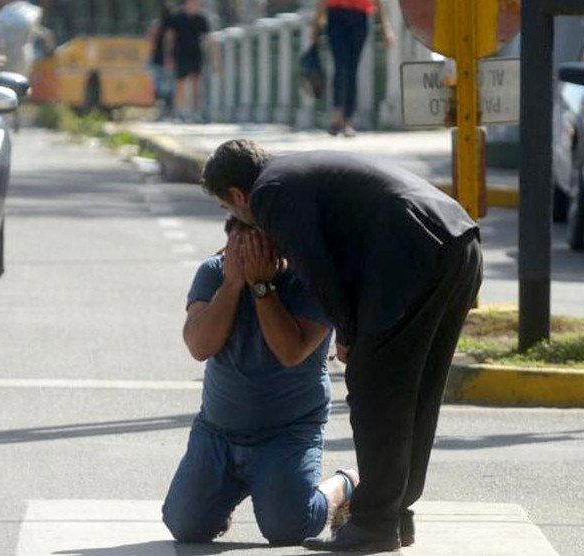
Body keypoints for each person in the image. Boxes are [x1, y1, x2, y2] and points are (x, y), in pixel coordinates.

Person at [201, 139, 483, 551]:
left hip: (412, 256)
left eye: (229, 209)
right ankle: (394, 515)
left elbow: (319, 270)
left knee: (375, 394)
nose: (238, 219)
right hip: (458, 243)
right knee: (415, 394)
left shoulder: (270, 195)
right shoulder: (294, 174)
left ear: (239, 195)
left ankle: (372, 525)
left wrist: (348, 335)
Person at [162, 217, 359, 545]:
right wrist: (232, 285)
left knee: (289, 530)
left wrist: (262, 288)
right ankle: (227, 493)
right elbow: (199, 346)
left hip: (287, 432)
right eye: (238, 246)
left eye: (257, 246)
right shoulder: (214, 272)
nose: (245, 254)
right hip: (218, 431)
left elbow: (290, 351)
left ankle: (347, 482)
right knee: (185, 527)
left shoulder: (312, 281)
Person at [311, 0, 393, 137]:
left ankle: (347, 121)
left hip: (360, 16)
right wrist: (315, 26)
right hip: (336, 16)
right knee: (340, 66)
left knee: (352, 70)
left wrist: (385, 27)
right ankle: (337, 115)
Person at [164, 0, 209, 121]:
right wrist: (169, 56)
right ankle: (180, 111)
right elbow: (170, 37)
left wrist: (213, 58)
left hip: (196, 53)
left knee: (197, 83)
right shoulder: (176, 18)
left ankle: (196, 112)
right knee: (181, 82)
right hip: (180, 53)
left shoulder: (201, 19)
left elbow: (207, 38)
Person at [147, 3, 176, 120]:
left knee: (159, 86)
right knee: (168, 86)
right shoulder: (172, 26)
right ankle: (166, 109)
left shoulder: (156, 25)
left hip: (157, 60)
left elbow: (151, 42)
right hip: (165, 61)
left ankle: (161, 109)